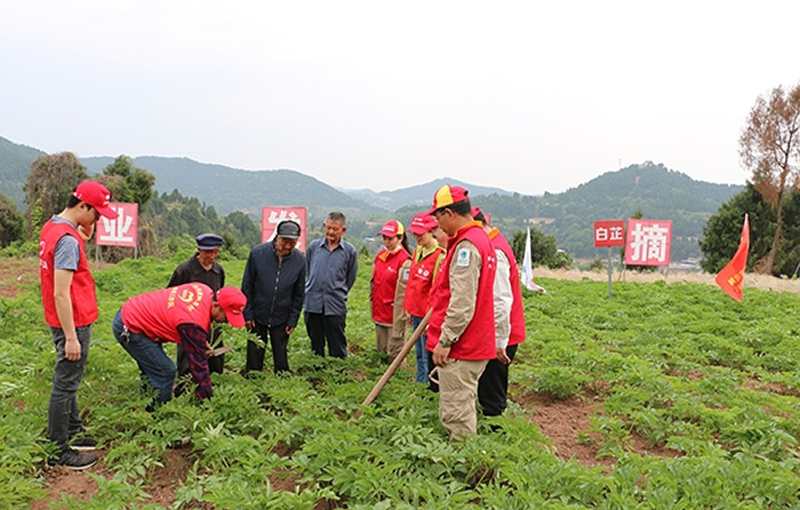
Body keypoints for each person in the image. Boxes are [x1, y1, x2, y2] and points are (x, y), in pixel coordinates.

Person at [39, 180, 118, 469]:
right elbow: (62, 292)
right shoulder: (68, 241)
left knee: (68, 382)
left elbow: (79, 236)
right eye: (96, 213)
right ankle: (59, 450)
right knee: (66, 383)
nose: (97, 219)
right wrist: (72, 337)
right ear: (82, 205)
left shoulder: (54, 227)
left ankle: (73, 430)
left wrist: (87, 227)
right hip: (73, 320)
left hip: (60, 318)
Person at [425, 184, 496, 439]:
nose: (438, 225)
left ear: (450, 213)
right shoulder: (482, 240)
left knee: (457, 415)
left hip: (462, 347)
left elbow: (462, 302)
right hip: (474, 343)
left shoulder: (467, 247)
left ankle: (463, 471)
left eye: (438, 217)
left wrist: (445, 340)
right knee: (463, 405)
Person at [112, 284, 247, 408]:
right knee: (165, 372)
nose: (227, 322)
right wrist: (208, 401)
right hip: (131, 326)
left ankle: (145, 402)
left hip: (136, 311)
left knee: (152, 369)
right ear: (216, 306)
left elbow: (184, 317)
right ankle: (159, 416)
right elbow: (198, 367)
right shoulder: (193, 323)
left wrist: (199, 341)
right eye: (227, 316)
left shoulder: (205, 290)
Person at [473, 209, 526, 417]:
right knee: (487, 387)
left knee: (492, 393)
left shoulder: (495, 250)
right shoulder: (492, 244)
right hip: (496, 332)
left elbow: (501, 300)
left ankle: (495, 437)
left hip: (500, 335)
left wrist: (499, 340)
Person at [241, 220, 306, 374]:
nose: (288, 246)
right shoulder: (258, 254)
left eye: (293, 242)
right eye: (285, 241)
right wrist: (248, 313)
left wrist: (293, 318)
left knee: (281, 354)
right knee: (255, 353)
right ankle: (253, 380)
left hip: (282, 315)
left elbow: (299, 293)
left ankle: (281, 381)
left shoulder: (300, 260)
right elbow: (247, 286)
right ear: (277, 237)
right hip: (257, 313)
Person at [167, 233, 226, 393]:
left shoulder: (218, 270)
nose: (211, 256)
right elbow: (170, 296)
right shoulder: (184, 270)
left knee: (215, 359)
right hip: (189, 324)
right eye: (208, 252)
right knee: (187, 361)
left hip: (211, 324)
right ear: (199, 250)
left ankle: (214, 391)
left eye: (215, 252)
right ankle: (184, 391)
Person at [304, 212, 358, 358]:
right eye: (328, 228)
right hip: (313, 303)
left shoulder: (349, 251)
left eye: (335, 229)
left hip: (335, 304)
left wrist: (338, 291)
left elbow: (350, 278)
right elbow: (309, 270)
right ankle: (318, 372)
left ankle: (338, 375)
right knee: (316, 342)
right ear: (324, 226)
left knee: (337, 342)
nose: (331, 232)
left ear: (343, 230)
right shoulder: (314, 247)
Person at [404, 213, 445, 382]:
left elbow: (435, 290)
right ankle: (420, 382)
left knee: (426, 352)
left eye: (421, 234)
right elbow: (412, 282)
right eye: (414, 234)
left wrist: (429, 319)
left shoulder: (439, 256)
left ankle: (427, 386)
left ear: (431, 232)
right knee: (418, 353)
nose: (417, 237)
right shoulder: (418, 251)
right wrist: (408, 309)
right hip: (415, 311)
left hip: (426, 314)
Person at [371, 220, 411, 362]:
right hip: (379, 313)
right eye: (384, 238)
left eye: (390, 238)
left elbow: (405, 291)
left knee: (395, 358)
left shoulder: (405, 261)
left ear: (400, 238)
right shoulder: (380, 257)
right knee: (381, 354)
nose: (386, 242)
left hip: (394, 316)